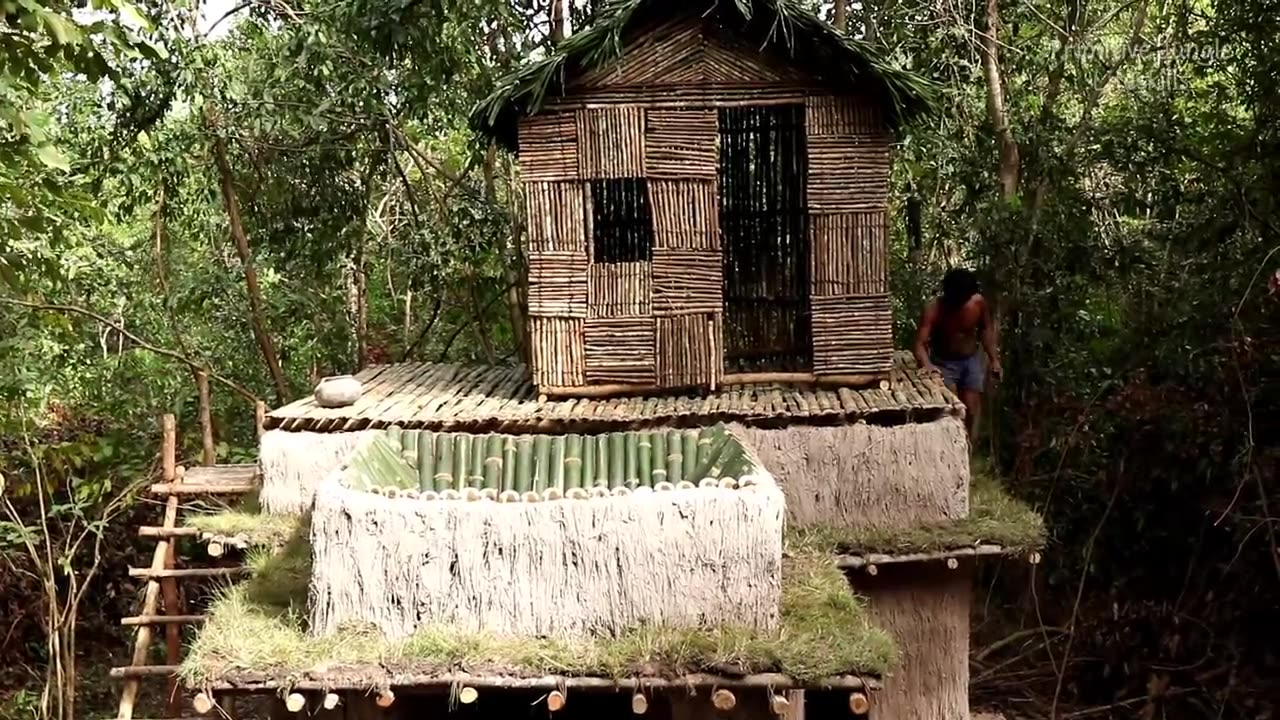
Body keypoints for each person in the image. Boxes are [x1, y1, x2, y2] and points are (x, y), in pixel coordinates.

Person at [913, 268, 1001, 439]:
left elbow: (986, 329)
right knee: (952, 408)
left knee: (971, 408)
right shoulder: (934, 309)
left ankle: (967, 446)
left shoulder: (978, 303)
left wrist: (994, 359)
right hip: (944, 363)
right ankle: (951, 445)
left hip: (971, 361)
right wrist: (928, 364)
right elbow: (919, 344)